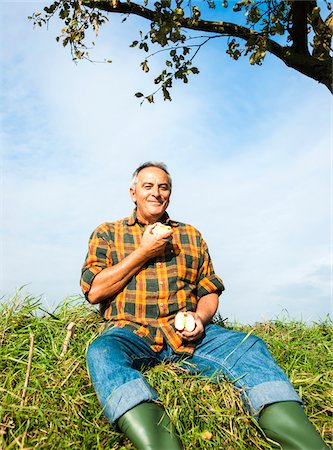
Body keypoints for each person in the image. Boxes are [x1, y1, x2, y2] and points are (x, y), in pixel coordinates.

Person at [81, 162, 328, 450]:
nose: (156, 193)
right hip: (129, 333)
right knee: (101, 353)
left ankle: (306, 444)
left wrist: (200, 317)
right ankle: (162, 444)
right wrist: (144, 252)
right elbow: (95, 291)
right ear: (133, 192)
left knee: (249, 347)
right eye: (148, 186)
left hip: (187, 335)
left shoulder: (190, 235)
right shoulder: (108, 233)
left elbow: (209, 288)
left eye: (163, 187)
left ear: (169, 194)